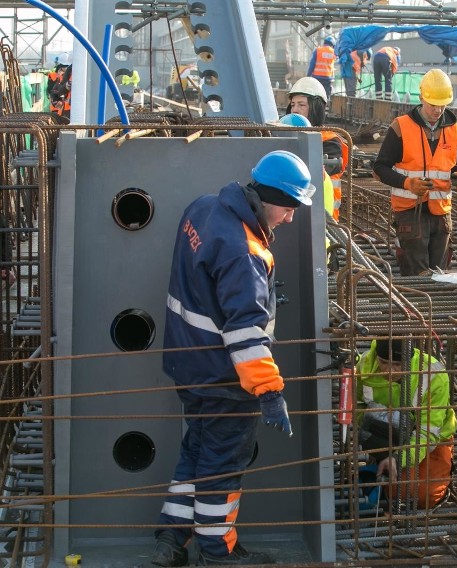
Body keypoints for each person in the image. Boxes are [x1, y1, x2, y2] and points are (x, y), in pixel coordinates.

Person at [151, 151, 315, 567]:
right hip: (226, 378)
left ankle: (171, 541)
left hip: (187, 366)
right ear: (269, 198)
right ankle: (216, 551)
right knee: (222, 466)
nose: (290, 217)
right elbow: (244, 333)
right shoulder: (246, 253)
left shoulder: (204, 208)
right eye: (289, 207)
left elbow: (205, 289)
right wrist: (270, 392)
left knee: (197, 454)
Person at [372, 68, 457, 276]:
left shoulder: (453, 128)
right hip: (409, 211)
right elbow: (379, 169)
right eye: (433, 104)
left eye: (442, 105)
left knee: (441, 274)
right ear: (422, 97)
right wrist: (408, 183)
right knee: (416, 274)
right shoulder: (401, 127)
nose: (438, 110)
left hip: (441, 213)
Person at [355, 338, 457, 509]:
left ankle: (442, 470)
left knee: (425, 497)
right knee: (394, 495)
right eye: (383, 362)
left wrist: (397, 458)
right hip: (387, 434)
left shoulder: (433, 375)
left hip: (432, 439)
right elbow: (357, 406)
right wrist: (378, 442)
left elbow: (427, 432)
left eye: (397, 364)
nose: (389, 371)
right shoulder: (364, 365)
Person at [285, 77, 349, 222]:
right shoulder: (288, 137)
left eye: (302, 105)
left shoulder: (330, 141)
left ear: (315, 108)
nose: (295, 109)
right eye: (293, 104)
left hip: (324, 217)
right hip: (293, 212)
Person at [307, 35, 336, 102]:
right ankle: (324, 107)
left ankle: (315, 106)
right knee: (325, 94)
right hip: (327, 78)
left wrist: (308, 75)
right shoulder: (333, 52)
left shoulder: (318, 50)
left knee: (316, 93)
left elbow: (312, 64)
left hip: (317, 77)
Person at [47, 51, 72, 118]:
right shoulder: (64, 75)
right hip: (61, 108)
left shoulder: (57, 75)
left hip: (63, 108)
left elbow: (50, 90)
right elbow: (53, 90)